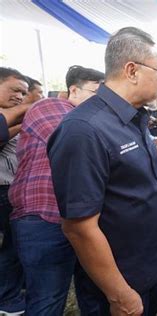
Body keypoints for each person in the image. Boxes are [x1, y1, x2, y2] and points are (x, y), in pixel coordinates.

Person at [47, 27, 157, 316]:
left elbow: (143, 174)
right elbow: (79, 229)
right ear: (132, 70)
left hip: (150, 267)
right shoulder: (84, 130)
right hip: (121, 280)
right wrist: (119, 295)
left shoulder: (135, 118)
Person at [8, 65, 104, 315]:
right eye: (97, 92)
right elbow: (83, 145)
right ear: (73, 89)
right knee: (47, 301)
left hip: (77, 219)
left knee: (91, 292)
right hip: (44, 219)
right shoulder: (51, 107)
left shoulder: (92, 119)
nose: (103, 99)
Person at [0, 67, 29, 316]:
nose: (20, 97)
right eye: (15, 90)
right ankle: (7, 299)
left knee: (13, 245)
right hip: (2, 190)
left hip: (11, 189)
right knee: (11, 246)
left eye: (24, 93)